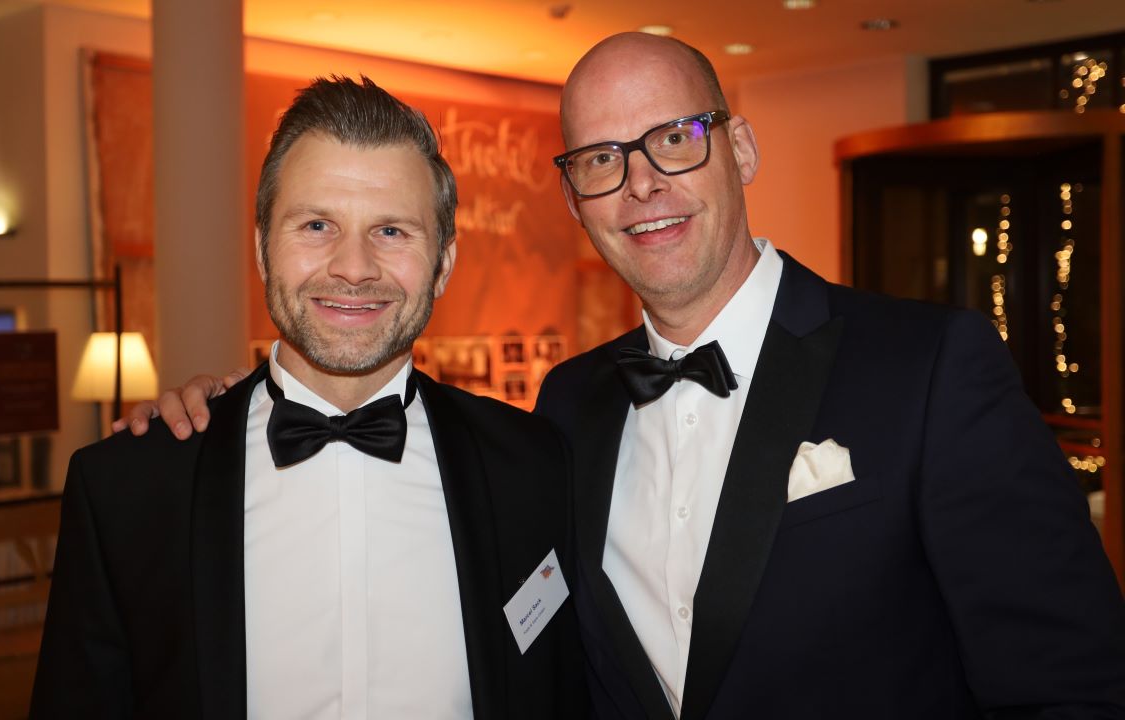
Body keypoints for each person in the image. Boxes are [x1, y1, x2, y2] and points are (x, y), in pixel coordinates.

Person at [126, 35, 1125, 720]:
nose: (641, 182)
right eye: (601, 158)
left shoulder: (931, 367)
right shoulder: (566, 411)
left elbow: (1074, 684)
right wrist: (226, 413)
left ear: (739, 147)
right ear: (576, 200)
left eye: (674, 139)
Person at [31, 75, 587, 720]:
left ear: (443, 264)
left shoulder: (535, 466)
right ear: (262, 249)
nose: (353, 267)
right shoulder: (127, 488)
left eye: (392, 231)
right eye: (318, 224)